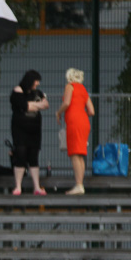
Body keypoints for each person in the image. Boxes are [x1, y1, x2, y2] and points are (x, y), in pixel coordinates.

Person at [10, 70, 50, 195]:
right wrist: (36, 104)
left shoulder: (38, 92)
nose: (37, 84)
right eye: (35, 81)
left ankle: (37, 187)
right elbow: (24, 106)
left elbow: (46, 105)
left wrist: (32, 105)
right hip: (20, 129)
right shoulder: (17, 90)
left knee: (34, 157)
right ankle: (18, 186)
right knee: (21, 155)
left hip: (34, 129)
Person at [56, 67, 95, 195]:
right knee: (80, 153)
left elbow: (66, 103)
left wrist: (58, 112)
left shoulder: (70, 86)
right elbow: (91, 111)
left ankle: (79, 185)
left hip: (74, 122)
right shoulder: (83, 89)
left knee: (74, 153)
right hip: (84, 122)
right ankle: (80, 183)